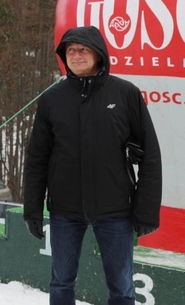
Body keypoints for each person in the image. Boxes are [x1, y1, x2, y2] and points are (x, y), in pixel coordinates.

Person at [23, 25, 163, 305]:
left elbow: (150, 155)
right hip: (65, 209)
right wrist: (32, 209)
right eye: (70, 50)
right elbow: (37, 158)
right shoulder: (52, 99)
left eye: (83, 49)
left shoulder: (125, 94)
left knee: (122, 288)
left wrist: (146, 212)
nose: (76, 55)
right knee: (61, 283)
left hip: (115, 210)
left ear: (99, 54)